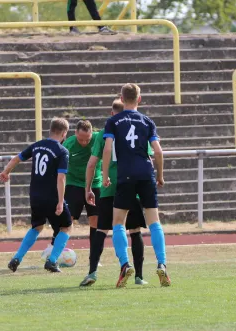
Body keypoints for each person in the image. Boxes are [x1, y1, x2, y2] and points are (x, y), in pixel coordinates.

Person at [102, 83, 171, 288]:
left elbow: (107, 149)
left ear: (121, 99)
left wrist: (105, 175)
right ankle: (162, 264)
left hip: (126, 175)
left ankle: (125, 264)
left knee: (118, 222)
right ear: (139, 99)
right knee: (154, 221)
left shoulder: (113, 121)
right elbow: (158, 152)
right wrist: (159, 175)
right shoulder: (147, 121)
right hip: (145, 172)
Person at [80, 99, 151, 287]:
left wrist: (88, 189)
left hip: (109, 187)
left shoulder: (104, 134)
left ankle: (93, 272)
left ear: (113, 114)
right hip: (132, 186)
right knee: (135, 231)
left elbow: (91, 163)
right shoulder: (140, 129)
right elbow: (149, 156)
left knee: (101, 230)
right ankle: (139, 277)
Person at [0, 117, 73, 274]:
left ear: (51, 130)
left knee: (37, 226)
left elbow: (16, 158)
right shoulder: (62, 151)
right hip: (51, 196)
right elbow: (61, 178)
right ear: (64, 133)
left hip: (35, 195)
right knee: (66, 226)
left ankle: (16, 258)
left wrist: (6, 172)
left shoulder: (37, 146)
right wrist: (60, 201)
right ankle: (52, 261)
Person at [42, 120, 102, 266]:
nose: (84, 142)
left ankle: (94, 258)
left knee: (96, 220)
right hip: (74, 184)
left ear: (92, 134)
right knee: (67, 219)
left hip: (95, 184)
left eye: (87, 139)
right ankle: (53, 247)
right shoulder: (68, 144)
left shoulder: (99, 139)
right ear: (75, 133)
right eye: (81, 139)